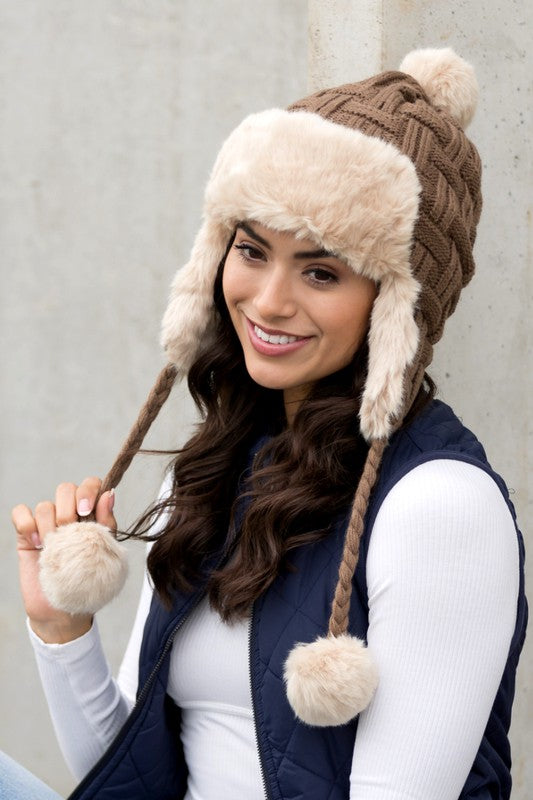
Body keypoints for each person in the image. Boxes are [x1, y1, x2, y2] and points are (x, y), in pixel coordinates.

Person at [8, 47, 527, 800]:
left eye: (321, 271)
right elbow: (127, 782)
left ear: (394, 304)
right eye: (251, 250)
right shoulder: (212, 471)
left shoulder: (438, 507)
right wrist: (63, 633)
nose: (268, 300)